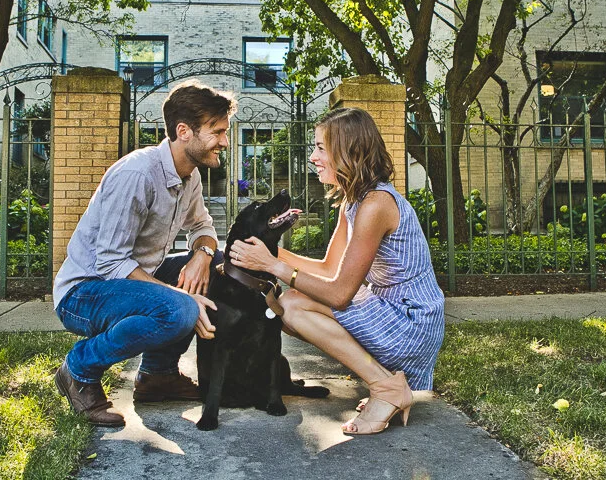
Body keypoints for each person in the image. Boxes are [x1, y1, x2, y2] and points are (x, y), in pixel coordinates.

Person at [230, 106, 445, 435]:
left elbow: (340, 294)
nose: (313, 156)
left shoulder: (375, 204)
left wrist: (273, 265)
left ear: (348, 150)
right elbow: (331, 269)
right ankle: (387, 383)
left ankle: (386, 387)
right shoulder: (354, 201)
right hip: (391, 313)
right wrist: (270, 253)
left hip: (411, 322)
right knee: (287, 304)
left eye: (320, 147)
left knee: (290, 304)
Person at [52, 80, 236, 426]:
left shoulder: (189, 176)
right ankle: (79, 368)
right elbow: (111, 261)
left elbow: (204, 227)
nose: (224, 142)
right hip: (85, 293)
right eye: (217, 132)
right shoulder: (137, 174)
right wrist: (181, 296)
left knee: (218, 266)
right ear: (184, 131)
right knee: (180, 308)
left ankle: (157, 375)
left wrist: (202, 256)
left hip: (131, 282)